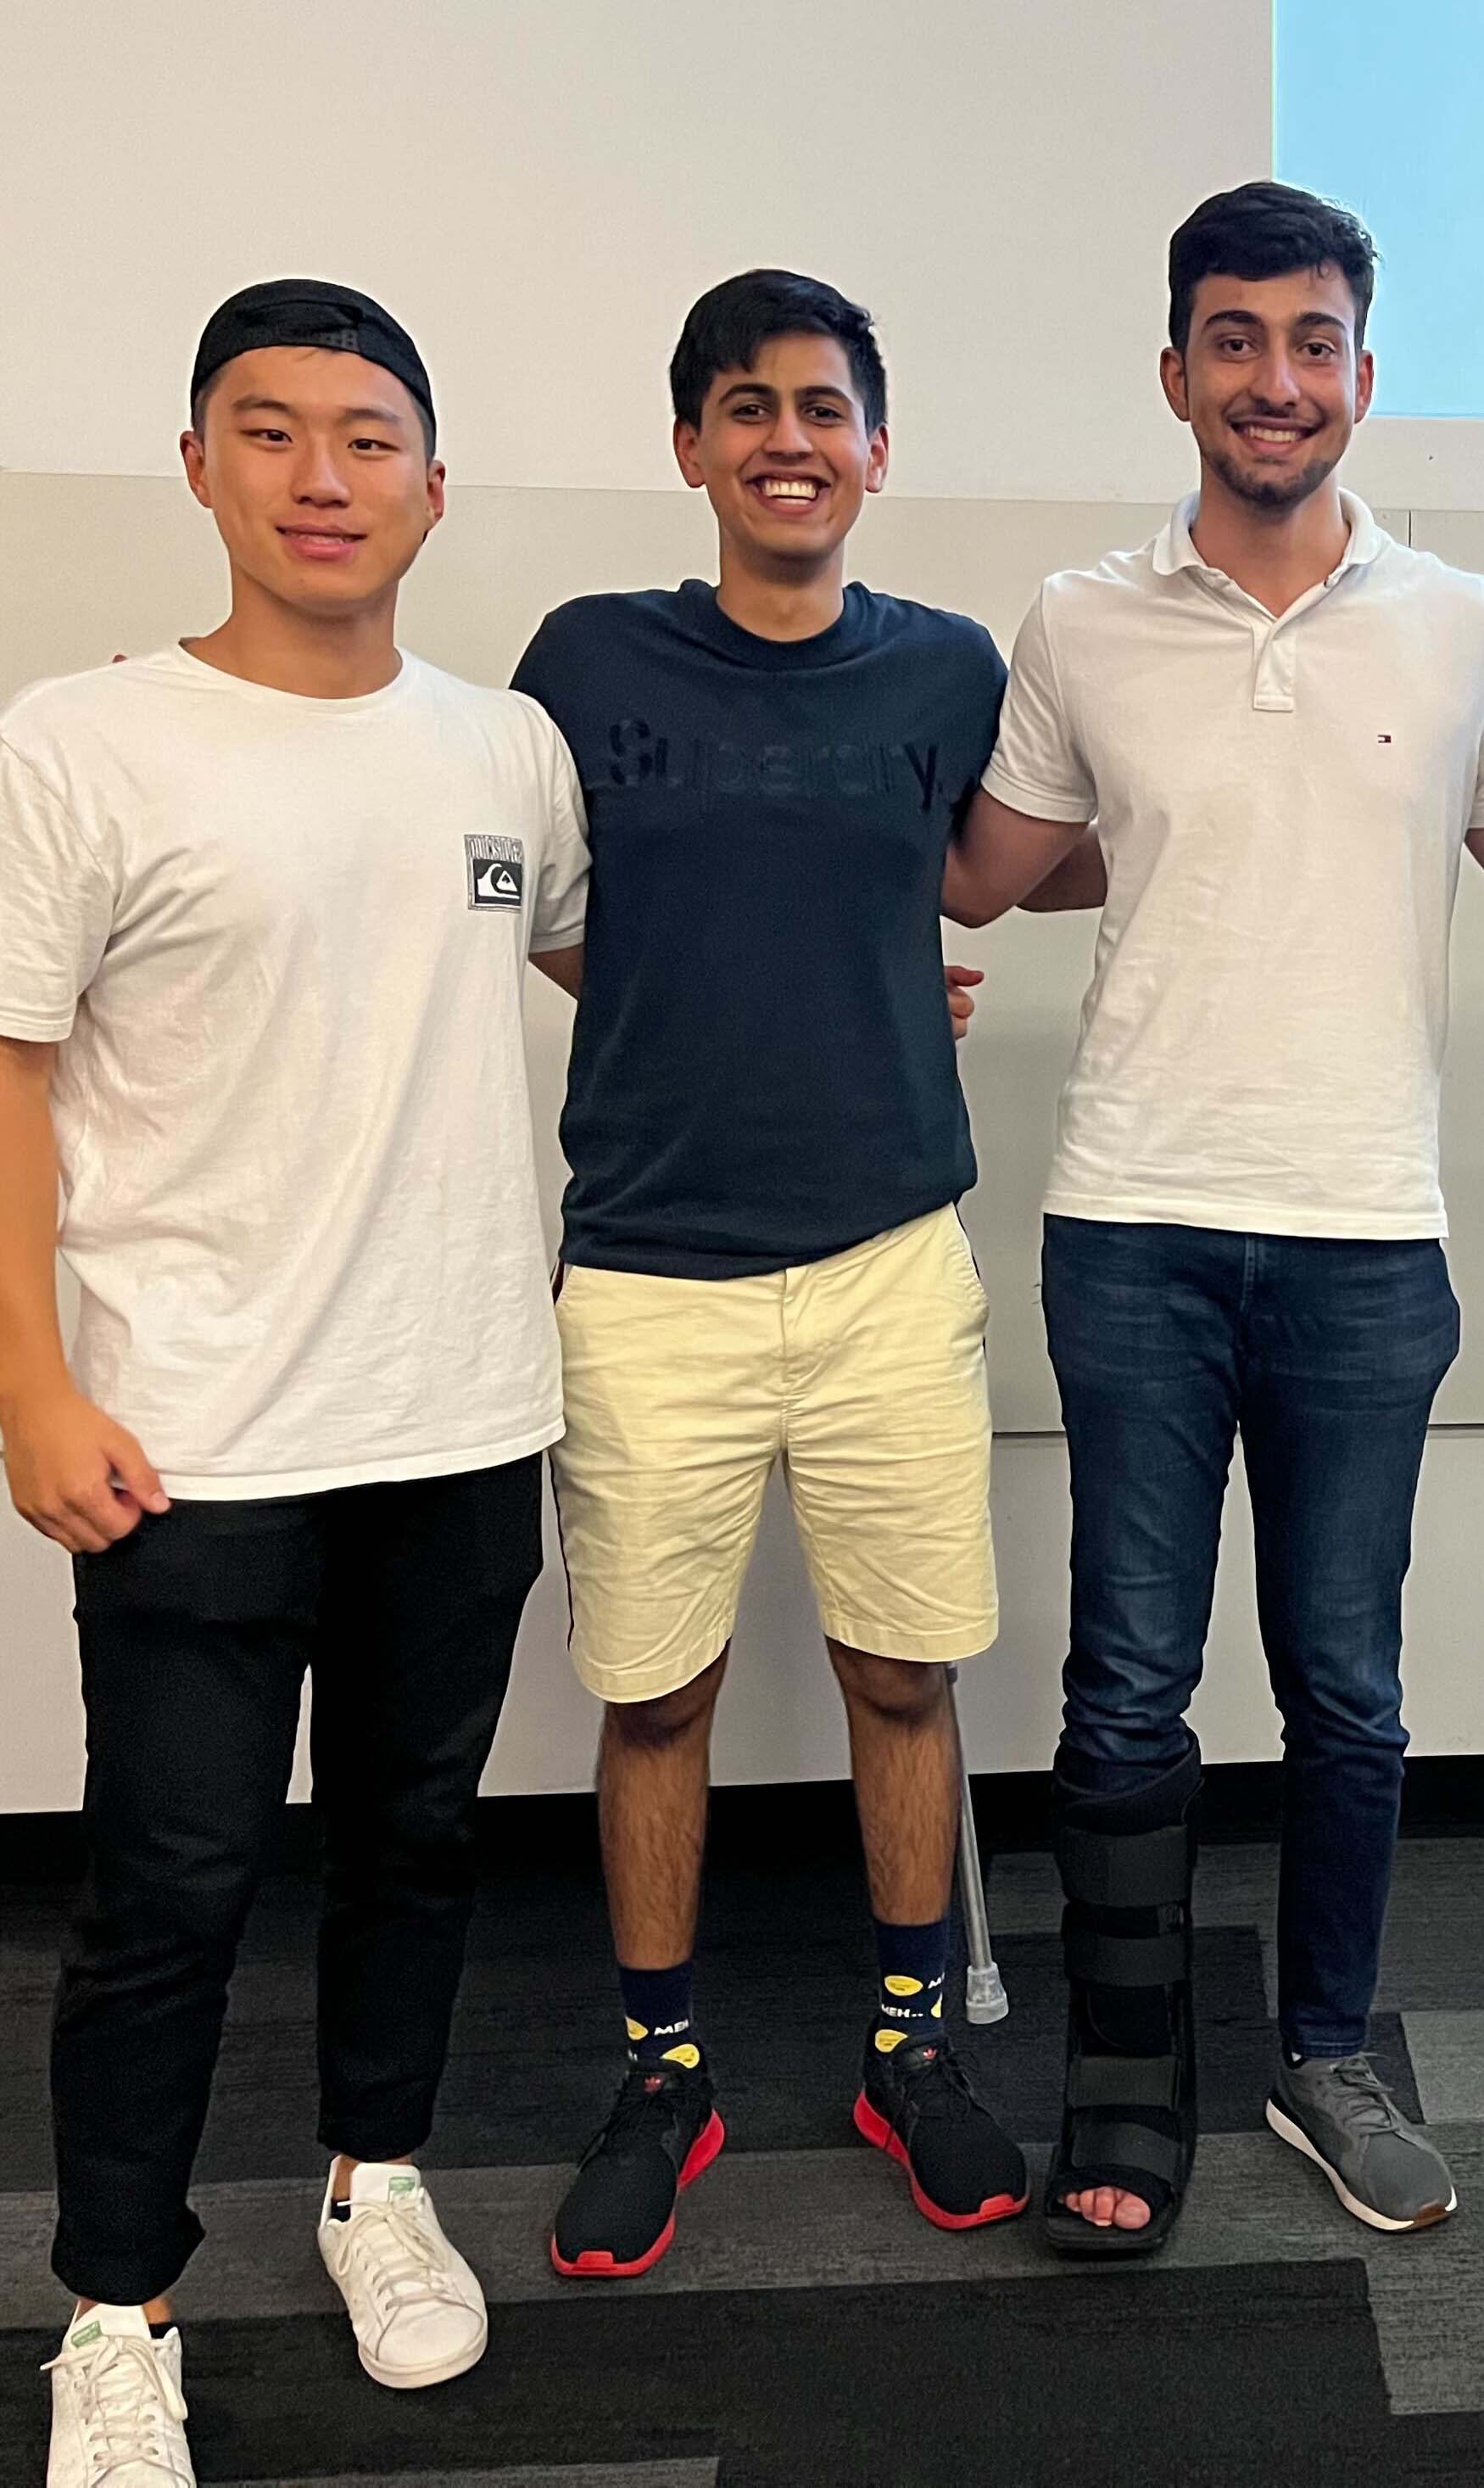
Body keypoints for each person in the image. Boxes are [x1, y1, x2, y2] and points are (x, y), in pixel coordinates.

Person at [0, 281, 587, 2487]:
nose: (324, 475)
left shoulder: (505, 748)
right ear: (198, 465)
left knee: (412, 1838)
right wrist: (30, 1377)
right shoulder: (82, 742)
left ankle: (374, 2172)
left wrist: (863, 976)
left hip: (465, 1411)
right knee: (169, 1885)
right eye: (274, 432)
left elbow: (608, 953)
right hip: (190, 1429)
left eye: (368, 436)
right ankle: (115, 2303)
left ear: (431, 483)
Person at [942, 182, 1484, 2254]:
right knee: (1124, 1687)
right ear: (1175, 373)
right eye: (1235, 339)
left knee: (1348, 1685)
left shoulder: (1458, 619)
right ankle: (1122, 2098)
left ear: (1360, 376)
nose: (1275, 379)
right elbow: (991, 865)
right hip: (1132, 1223)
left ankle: (1326, 2054)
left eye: (1311, 341)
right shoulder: (1078, 620)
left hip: (1362, 1243)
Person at [510, 269, 1029, 2277]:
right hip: (647, 1279)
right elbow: (555, 912)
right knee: (655, 1696)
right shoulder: (585, 659)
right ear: (690, 446)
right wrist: (712, 998)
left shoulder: (945, 670)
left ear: (874, 449)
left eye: (823, 407)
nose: (787, 439)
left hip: (890, 1258)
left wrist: (866, 992)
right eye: (747, 407)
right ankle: (664, 2071)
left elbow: (993, 858)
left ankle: (909, 2047)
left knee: (904, 1670)